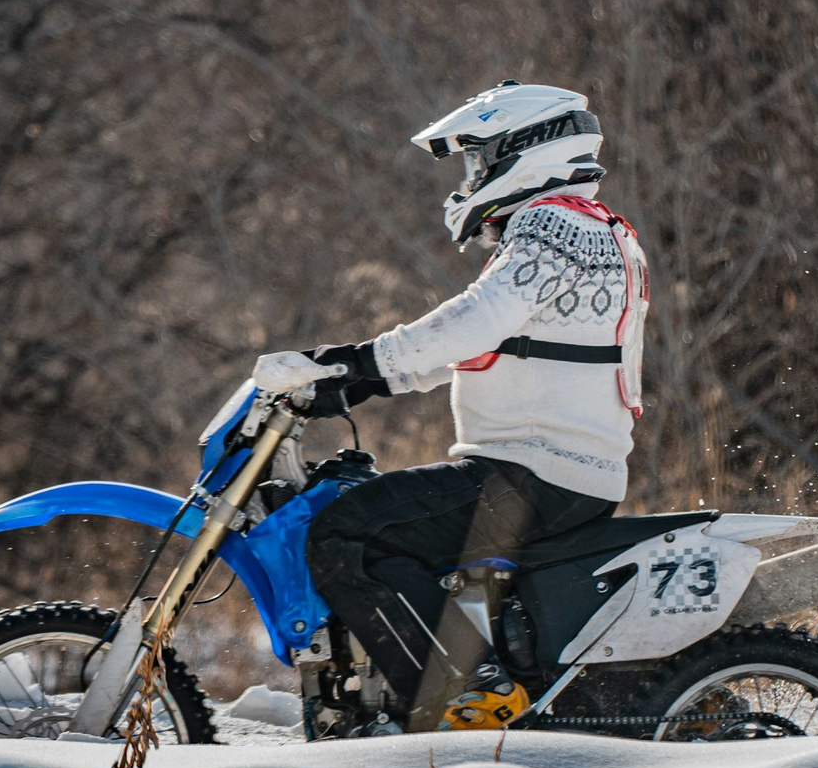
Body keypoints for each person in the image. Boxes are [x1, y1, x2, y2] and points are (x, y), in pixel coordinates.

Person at [248, 83, 650, 732]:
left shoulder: (552, 225)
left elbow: (474, 321)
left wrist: (358, 361)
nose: (471, 179)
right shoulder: (589, 228)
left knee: (344, 532)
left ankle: (460, 700)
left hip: (533, 472)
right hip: (556, 469)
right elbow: (479, 344)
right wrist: (353, 382)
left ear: (528, 149)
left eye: (480, 160)